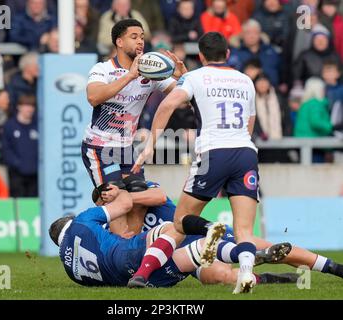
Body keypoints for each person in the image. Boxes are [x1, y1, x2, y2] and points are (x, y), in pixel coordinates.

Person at [130, 32, 259, 294]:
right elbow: (250, 124)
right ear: (228, 54)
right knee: (245, 229)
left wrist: (151, 143)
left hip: (213, 153)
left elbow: (167, 106)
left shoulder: (194, 77)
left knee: (181, 220)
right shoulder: (246, 80)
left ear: (200, 56)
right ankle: (246, 272)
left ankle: (211, 229)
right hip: (245, 152)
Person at [49, 183, 294, 288]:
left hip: (145, 268)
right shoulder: (87, 221)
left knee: (194, 243)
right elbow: (122, 224)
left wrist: (129, 197)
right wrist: (120, 200)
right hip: (142, 255)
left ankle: (262, 262)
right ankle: (245, 253)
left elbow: (157, 197)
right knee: (207, 262)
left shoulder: (71, 271)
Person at [83, 19, 186, 188]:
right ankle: (76, 217)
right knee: (117, 201)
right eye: (134, 37)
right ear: (120, 42)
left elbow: (185, 99)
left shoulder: (151, 73)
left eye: (142, 37)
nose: (140, 41)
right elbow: (93, 97)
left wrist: (184, 77)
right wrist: (129, 76)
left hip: (127, 148)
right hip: (100, 147)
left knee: (140, 199)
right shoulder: (102, 69)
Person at [0, 94, 38, 197]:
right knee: (18, 204)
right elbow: (6, 149)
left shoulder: (38, 125)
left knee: (34, 205)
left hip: (35, 175)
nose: (29, 109)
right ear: (19, 106)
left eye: (32, 106)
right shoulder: (10, 126)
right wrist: (17, 163)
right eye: (26, 105)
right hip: (16, 175)